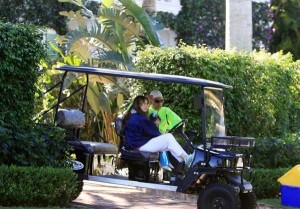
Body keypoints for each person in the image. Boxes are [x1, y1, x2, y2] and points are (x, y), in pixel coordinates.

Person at [123, 95, 194, 166]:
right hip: (139, 145)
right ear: (137, 104)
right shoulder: (138, 118)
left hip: (137, 143)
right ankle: (186, 159)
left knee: (170, 145)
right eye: (143, 103)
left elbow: (148, 130)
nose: (146, 106)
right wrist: (160, 133)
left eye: (147, 103)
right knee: (168, 138)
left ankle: (186, 161)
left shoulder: (134, 115)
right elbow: (151, 132)